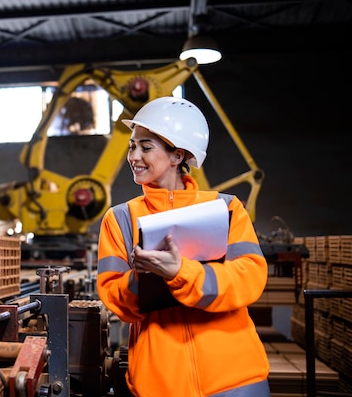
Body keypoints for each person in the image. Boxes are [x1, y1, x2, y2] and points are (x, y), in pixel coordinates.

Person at [96, 96, 270, 397]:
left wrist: (181, 272)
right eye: (132, 146)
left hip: (236, 379)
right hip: (161, 384)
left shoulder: (226, 209)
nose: (133, 156)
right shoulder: (121, 219)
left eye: (145, 147)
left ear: (177, 156)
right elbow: (114, 299)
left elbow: (249, 279)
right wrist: (142, 277)